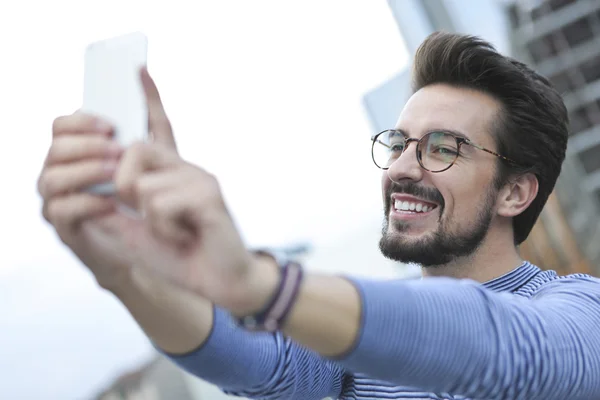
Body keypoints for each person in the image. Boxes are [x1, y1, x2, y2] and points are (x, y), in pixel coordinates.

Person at [37, 31, 600, 400]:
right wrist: (126, 274)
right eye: (398, 142)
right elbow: (250, 358)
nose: (403, 167)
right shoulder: (346, 346)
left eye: (443, 147)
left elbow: (506, 349)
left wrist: (259, 284)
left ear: (515, 193)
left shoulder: (581, 312)